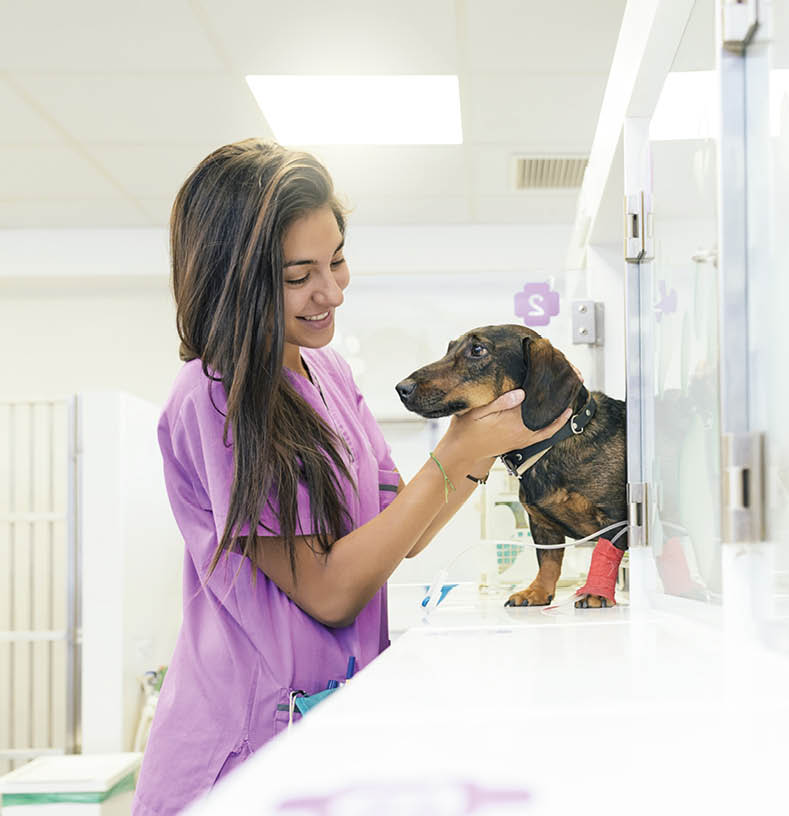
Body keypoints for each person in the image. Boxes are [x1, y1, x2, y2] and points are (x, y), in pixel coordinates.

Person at [131, 139, 571, 816]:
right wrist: (455, 454)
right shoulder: (214, 396)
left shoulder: (327, 373)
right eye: (297, 274)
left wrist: (485, 445)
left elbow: (402, 534)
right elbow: (331, 592)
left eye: (336, 259)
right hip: (245, 752)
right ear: (235, 279)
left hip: (329, 732)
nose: (331, 291)